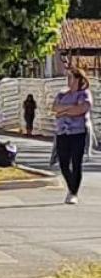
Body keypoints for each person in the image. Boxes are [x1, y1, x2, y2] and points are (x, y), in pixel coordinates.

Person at [53, 68, 94, 205]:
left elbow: (81, 109)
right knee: (63, 163)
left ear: (78, 79)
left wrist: (64, 111)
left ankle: (73, 193)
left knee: (76, 163)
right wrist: (70, 107)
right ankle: (71, 187)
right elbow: (55, 108)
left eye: (71, 77)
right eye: (67, 78)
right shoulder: (62, 94)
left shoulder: (84, 94)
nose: (68, 81)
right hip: (62, 133)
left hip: (78, 132)